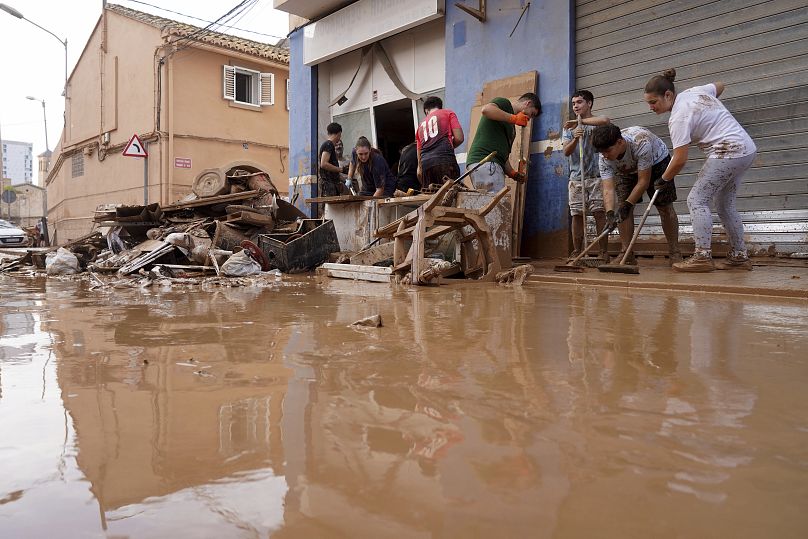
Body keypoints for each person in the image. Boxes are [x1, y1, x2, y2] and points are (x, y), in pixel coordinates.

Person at [644, 68, 757, 272]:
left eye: (653, 102)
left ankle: (702, 256)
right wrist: (708, 107)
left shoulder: (678, 117)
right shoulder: (695, 91)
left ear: (668, 95)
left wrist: (664, 178)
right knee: (724, 204)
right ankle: (740, 256)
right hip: (746, 149)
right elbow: (720, 85)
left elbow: (679, 160)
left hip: (728, 151)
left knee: (696, 200)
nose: (651, 107)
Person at [591, 123, 682, 265]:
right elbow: (608, 188)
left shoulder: (641, 143)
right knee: (621, 211)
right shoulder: (605, 156)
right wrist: (610, 213)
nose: (605, 156)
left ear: (620, 142)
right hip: (626, 169)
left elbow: (643, 181)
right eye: (602, 152)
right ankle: (626, 253)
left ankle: (674, 251)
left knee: (664, 206)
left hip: (657, 162)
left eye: (607, 151)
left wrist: (628, 204)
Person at [562, 90, 611, 261]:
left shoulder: (596, 123)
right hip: (577, 178)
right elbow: (566, 152)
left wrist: (579, 122)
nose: (575, 106)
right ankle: (577, 251)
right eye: (574, 103)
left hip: (597, 175)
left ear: (589, 103)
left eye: (579, 102)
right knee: (577, 214)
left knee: (599, 213)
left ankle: (603, 252)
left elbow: (606, 120)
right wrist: (575, 138)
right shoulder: (569, 127)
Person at [466, 93, 541, 192]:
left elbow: (502, 156)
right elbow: (486, 110)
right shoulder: (504, 104)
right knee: (497, 205)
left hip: (488, 164)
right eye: (531, 114)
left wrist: (513, 173)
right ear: (528, 103)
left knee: (488, 204)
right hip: (486, 161)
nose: (528, 119)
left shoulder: (511, 128)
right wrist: (514, 118)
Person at [416, 96, 464, 187]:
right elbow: (459, 138)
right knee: (451, 196)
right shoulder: (448, 113)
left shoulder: (420, 127)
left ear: (426, 111)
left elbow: (419, 156)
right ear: (440, 107)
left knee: (433, 197)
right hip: (445, 161)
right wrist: (449, 147)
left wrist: (421, 170)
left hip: (426, 166)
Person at [318, 122, 347, 198]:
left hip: (331, 185)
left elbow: (330, 170)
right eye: (340, 135)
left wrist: (345, 180)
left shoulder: (327, 145)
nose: (339, 138)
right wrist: (340, 169)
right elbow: (323, 164)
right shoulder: (329, 144)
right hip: (329, 186)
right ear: (339, 134)